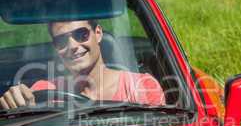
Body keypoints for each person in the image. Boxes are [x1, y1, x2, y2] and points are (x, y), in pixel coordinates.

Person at [0, 20, 165, 109]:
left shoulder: (141, 87)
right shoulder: (45, 90)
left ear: (98, 33)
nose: (72, 46)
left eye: (81, 34)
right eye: (61, 40)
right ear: (56, 47)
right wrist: (16, 104)